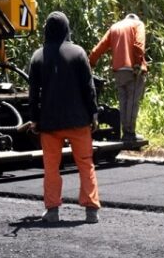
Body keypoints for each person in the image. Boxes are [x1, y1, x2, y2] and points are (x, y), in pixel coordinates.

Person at [26, 11, 101, 223]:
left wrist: (34, 118)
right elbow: (89, 87)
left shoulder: (38, 56)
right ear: (66, 29)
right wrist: (93, 113)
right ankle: (91, 210)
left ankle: (52, 211)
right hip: (78, 121)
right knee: (85, 164)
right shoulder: (78, 53)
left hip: (50, 124)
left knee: (51, 167)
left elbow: (34, 93)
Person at [88, 12, 148, 141]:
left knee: (123, 101)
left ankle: (125, 131)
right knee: (132, 102)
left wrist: (91, 62)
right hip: (132, 69)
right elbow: (138, 46)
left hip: (118, 70)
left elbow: (100, 47)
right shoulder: (138, 25)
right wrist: (137, 64)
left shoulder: (115, 27)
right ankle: (129, 133)